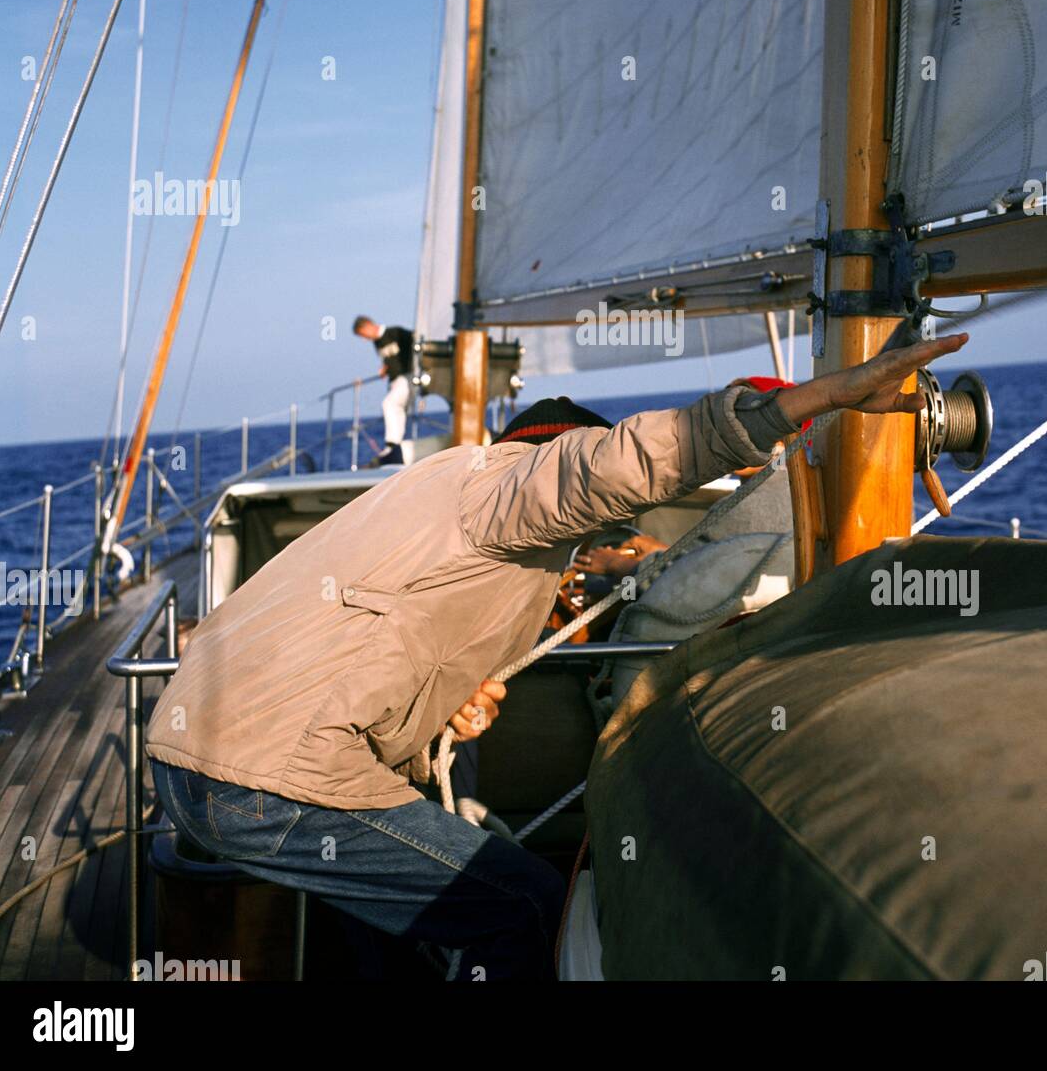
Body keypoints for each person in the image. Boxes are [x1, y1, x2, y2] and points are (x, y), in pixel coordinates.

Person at [146, 333, 967, 979]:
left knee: (410, 911)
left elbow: (378, 645)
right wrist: (798, 406)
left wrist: (443, 715)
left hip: (204, 757)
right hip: (259, 775)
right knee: (523, 906)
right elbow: (611, 467)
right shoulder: (502, 483)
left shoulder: (434, 500)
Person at [353, 314, 415, 466]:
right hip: (395, 381)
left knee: (389, 404)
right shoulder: (377, 344)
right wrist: (385, 369)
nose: (364, 339)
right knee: (395, 408)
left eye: (363, 334)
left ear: (367, 326)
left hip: (408, 377)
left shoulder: (395, 333)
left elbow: (415, 344)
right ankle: (395, 445)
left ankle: (392, 444)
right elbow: (389, 359)